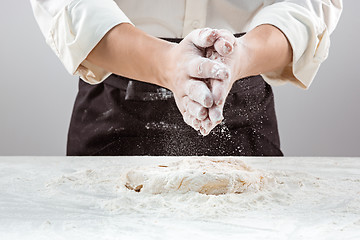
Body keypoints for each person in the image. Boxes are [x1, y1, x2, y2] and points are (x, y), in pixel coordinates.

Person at [30, 0, 342, 156]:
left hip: (243, 97)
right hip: (114, 102)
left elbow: (310, 4)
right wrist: (164, 62)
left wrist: (243, 54)